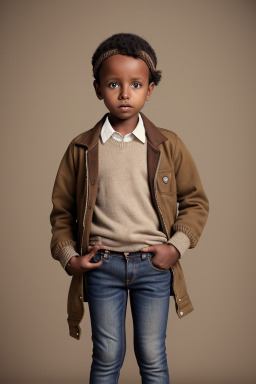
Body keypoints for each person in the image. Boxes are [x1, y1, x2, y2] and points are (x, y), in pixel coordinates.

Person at [50, 33, 209, 384]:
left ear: (149, 89)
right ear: (98, 89)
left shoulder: (169, 145)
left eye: (135, 84)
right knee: (106, 355)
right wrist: (68, 257)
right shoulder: (80, 149)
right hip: (101, 266)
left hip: (153, 266)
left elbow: (195, 201)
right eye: (113, 84)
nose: (125, 93)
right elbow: (61, 213)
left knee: (152, 354)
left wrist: (175, 248)